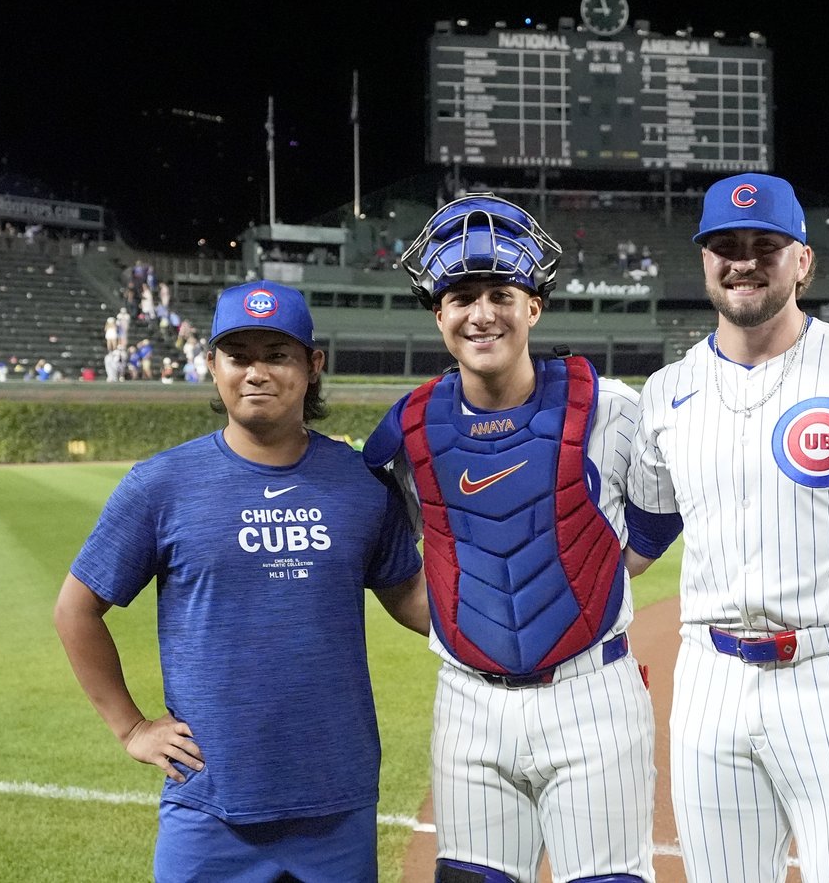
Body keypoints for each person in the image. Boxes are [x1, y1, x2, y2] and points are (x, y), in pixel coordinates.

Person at [53, 280, 427, 883]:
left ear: (312, 366)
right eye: (239, 355)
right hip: (209, 807)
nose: (257, 372)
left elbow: (412, 598)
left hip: (337, 799)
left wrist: (515, 620)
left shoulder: (360, 483)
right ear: (213, 367)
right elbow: (75, 609)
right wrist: (131, 727)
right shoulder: (161, 484)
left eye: (276, 355)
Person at [624, 173, 829, 882]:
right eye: (726, 245)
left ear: (803, 260)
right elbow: (637, 547)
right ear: (704, 259)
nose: (744, 260)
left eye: (765, 244)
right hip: (711, 679)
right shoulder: (667, 393)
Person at [363, 194, 658, 883]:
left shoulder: (610, 407)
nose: (482, 312)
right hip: (470, 703)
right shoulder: (405, 430)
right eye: (461, 296)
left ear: (534, 306)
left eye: (501, 292)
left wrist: (602, 578)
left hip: (592, 695)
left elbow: (657, 521)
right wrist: (458, 626)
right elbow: (384, 557)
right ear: (439, 314)